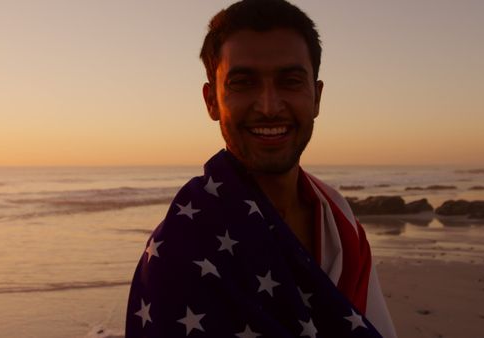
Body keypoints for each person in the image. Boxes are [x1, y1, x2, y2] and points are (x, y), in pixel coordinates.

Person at [125, 0, 396, 337]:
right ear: (212, 101)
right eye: (243, 83)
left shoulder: (338, 221)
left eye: (290, 81)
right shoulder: (182, 246)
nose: (269, 107)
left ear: (317, 97)